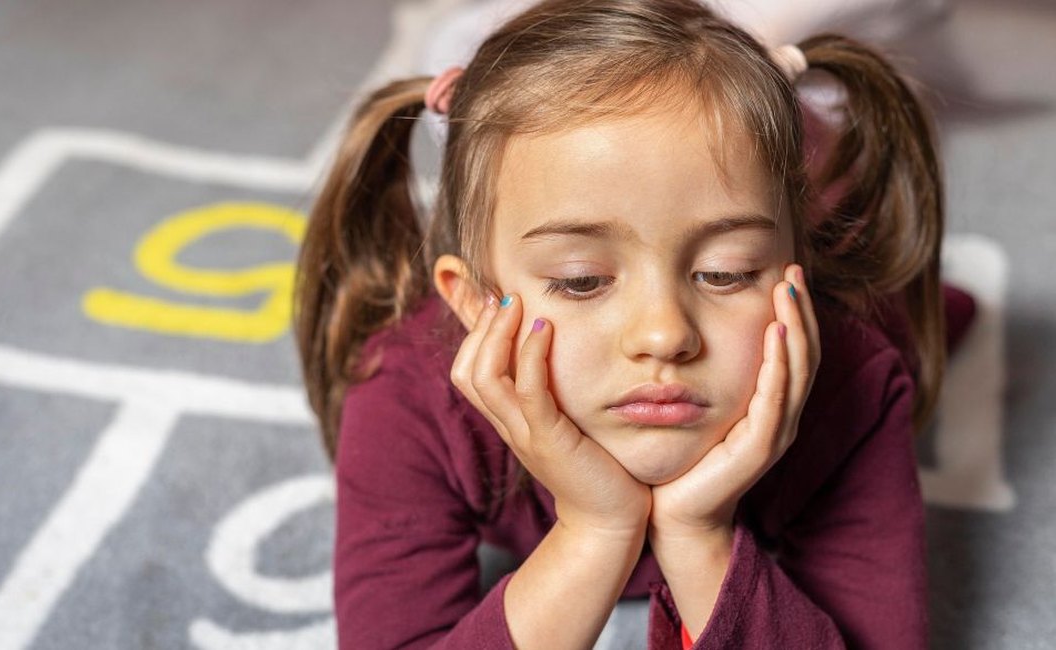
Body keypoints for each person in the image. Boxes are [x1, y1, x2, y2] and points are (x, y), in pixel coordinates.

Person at [293, 0, 975, 647]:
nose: (663, 335)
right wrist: (595, 529)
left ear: (797, 263)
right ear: (473, 302)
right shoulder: (402, 394)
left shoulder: (857, 384)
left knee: (918, 315)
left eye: (727, 270)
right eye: (582, 280)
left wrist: (698, 533)